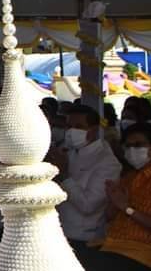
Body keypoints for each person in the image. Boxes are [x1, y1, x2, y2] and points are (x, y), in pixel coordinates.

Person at [77, 123, 151, 271]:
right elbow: (109, 217)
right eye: (127, 146)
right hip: (110, 246)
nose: (131, 150)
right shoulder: (129, 177)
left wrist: (127, 208)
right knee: (66, 257)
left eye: (138, 145)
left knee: (77, 269)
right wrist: (114, 201)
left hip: (140, 255)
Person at [49, 104, 121, 249]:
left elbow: (88, 205)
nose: (71, 131)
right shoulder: (68, 151)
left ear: (93, 130)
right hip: (56, 230)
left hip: (83, 238)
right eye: (69, 126)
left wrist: (63, 175)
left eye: (78, 126)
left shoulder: (107, 162)